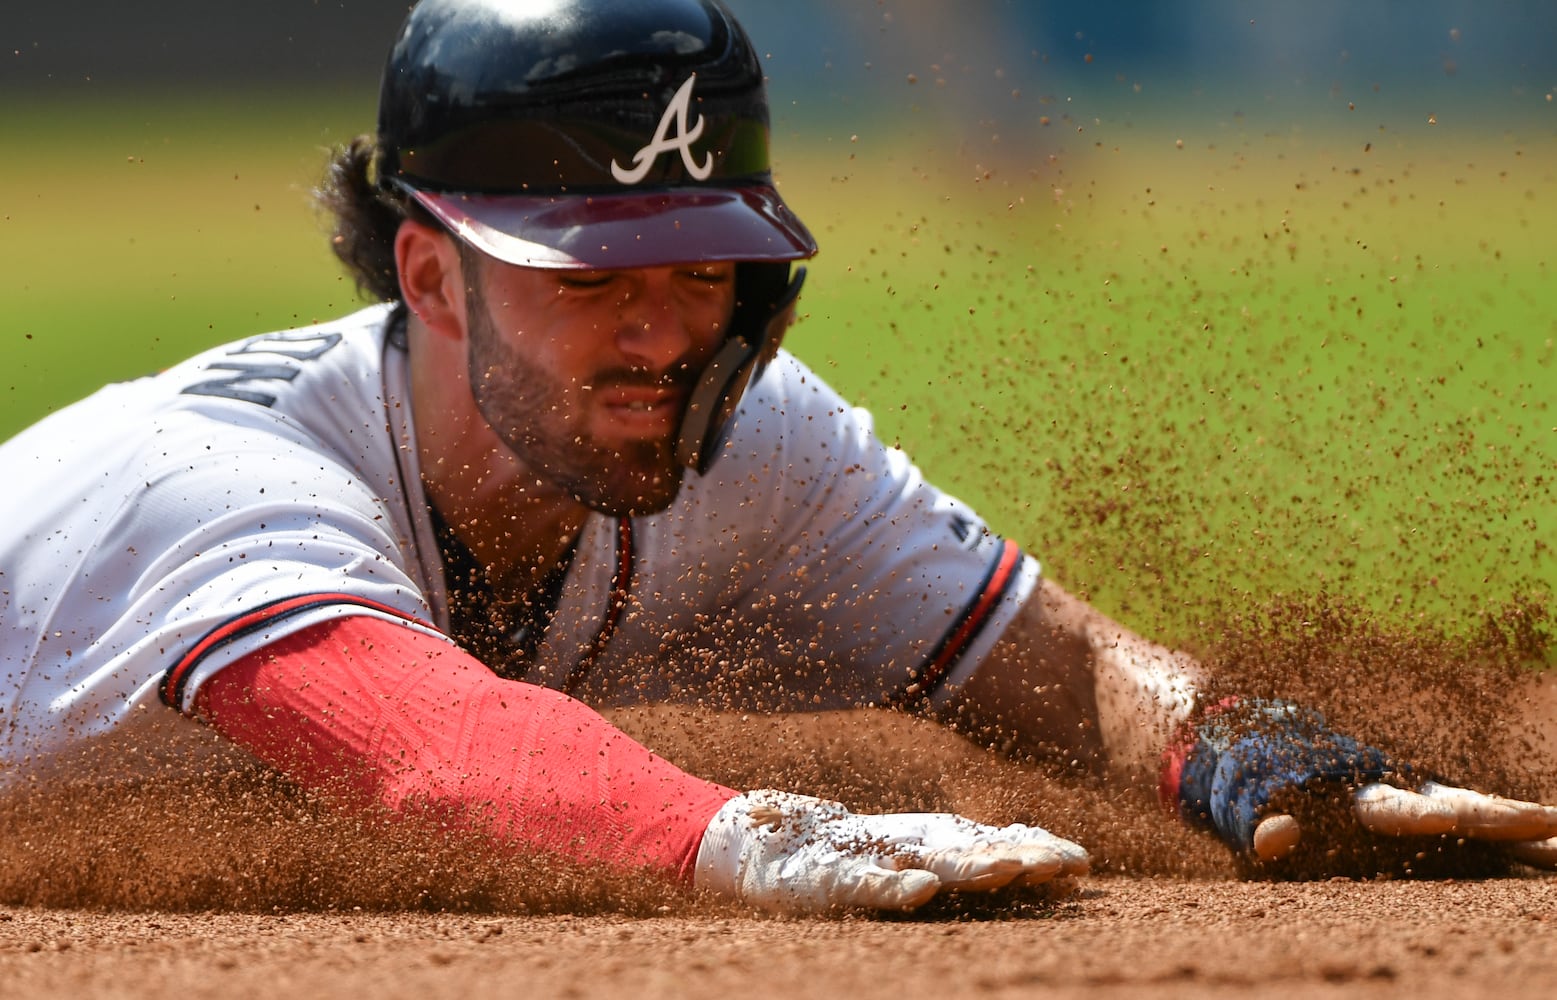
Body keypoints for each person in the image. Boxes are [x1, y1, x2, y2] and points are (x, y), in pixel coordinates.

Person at [1, 0, 1552, 914]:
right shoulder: (212, 478)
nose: (661, 332)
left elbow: (1046, 662)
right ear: (432, 278)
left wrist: (1236, 754)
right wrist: (747, 836)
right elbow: (429, 752)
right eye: (589, 277)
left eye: (701, 268)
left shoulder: (742, 438)